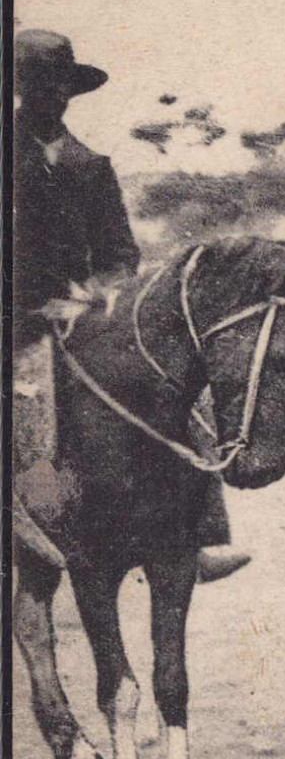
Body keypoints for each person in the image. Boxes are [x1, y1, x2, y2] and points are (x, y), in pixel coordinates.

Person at [12, 29, 249, 582]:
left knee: (179, 392)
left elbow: (121, 250)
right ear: (20, 88)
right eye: (38, 86)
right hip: (16, 320)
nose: (52, 97)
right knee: (25, 403)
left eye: (60, 87)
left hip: (82, 313)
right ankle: (18, 519)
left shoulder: (89, 164)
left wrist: (100, 294)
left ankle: (199, 537)